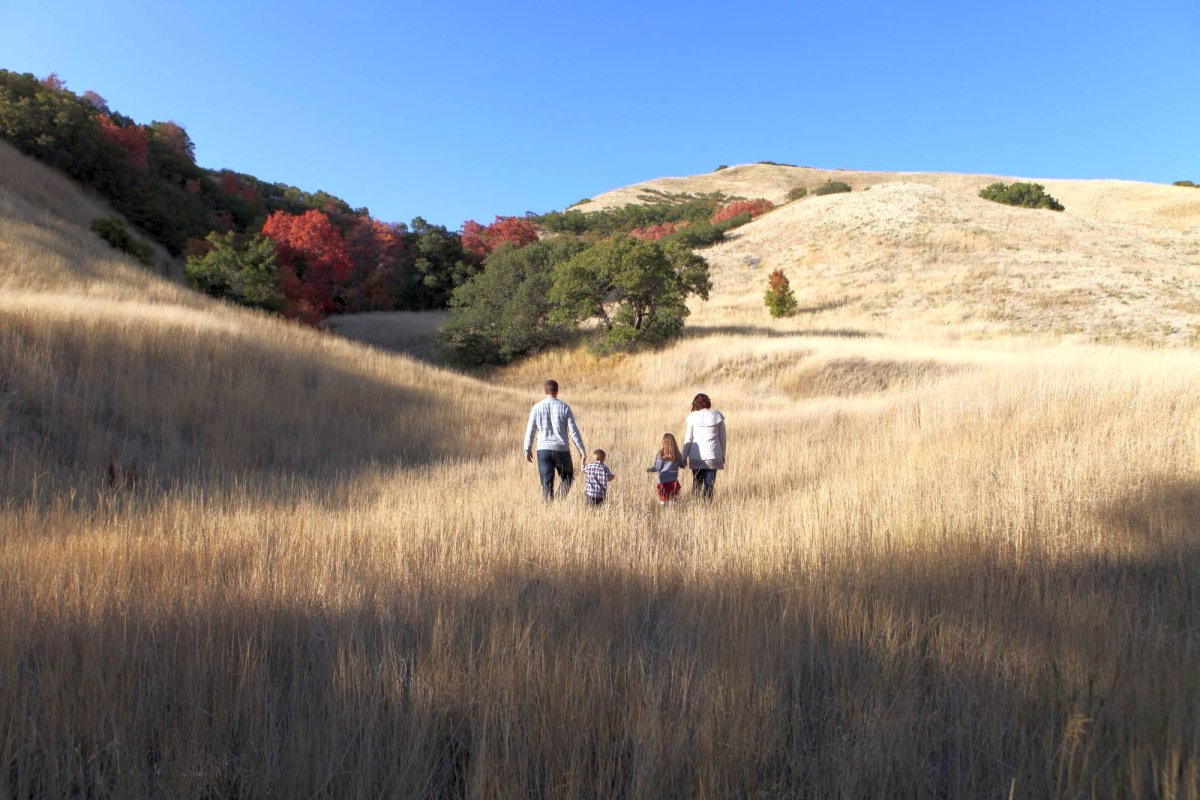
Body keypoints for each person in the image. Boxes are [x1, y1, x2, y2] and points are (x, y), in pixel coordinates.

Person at [523, 379, 587, 500]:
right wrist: (581, 450)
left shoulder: (536, 408)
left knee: (546, 483)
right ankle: (559, 501)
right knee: (567, 477)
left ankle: (549, 507)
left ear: (545, 391)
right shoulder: (565, 407)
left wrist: (527, 449)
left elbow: (530, 430)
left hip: (543, 450)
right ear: (557, 391)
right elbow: (573, 431)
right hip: (562, 449)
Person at [683, 393, 727, 501]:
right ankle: (706, 508)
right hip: (713, 454)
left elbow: (688, 439)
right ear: (708, 402)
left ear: (695, 404)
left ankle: (695, 508)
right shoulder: (717, 416)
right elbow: (723, 439)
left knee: (696, 484)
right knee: (709, 486)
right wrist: (722, 455)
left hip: (696, 455)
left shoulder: (692, 417)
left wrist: (684, 457)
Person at [646, 433, 684, 506]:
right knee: (674, 503)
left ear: (663, 443)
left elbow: (657, 468)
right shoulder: (677, 455)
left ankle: (665, 513)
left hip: (663, 483)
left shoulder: (660, 455)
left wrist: (650, 469)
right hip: (674, 483)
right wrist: (684, 460)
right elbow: (682, 465)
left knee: (663, 502)